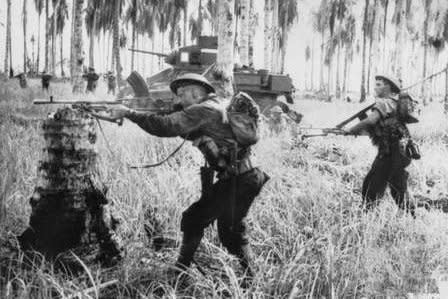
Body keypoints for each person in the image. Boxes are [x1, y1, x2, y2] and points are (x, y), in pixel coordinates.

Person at [108, 73, 269, 284]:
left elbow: (165, 126)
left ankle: (184, 273)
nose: (178, 100)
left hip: (240, 180)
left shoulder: (203, 110)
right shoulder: (216, 105)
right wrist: (155, 110)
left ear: (196, 91)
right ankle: (190, 271)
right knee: (220, 226)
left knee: (213, 226)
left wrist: (129, 113)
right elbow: (188, 131)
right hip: (244, 177)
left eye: (182, 94)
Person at [344, 75, 415, 215]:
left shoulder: (383, 103)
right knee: (398, 188)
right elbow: (382, 127)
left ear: (388, 87)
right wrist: (356, 131)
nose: (375, 87)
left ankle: (366, 215)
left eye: (378, 84)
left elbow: (370, 121)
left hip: (390, 153)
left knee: (372, 183)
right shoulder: (395, 103)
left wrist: (350, 130)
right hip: (402, 152)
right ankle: (412, 215)